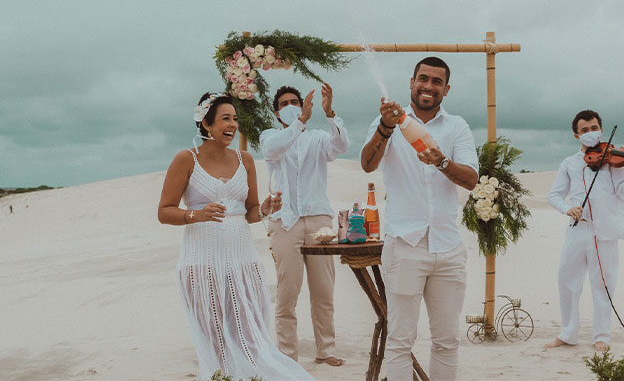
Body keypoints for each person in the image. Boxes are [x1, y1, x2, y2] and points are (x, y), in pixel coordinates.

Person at [158, 92, 313, 381]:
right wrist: (197, 214)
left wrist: (265, 209)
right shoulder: (186, 159)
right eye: (225, 119)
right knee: (215, 344)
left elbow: (251, 211)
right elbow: (164, 211)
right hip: (202, 264)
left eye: (235, 119)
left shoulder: (245, 159)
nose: (232, 125)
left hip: (242, 263)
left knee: (251, 339)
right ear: (206, 124)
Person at [360, 57, 479, 381]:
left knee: (447, 340)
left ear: (446, 89)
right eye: (423, 79)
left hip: (448, 247)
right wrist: (385, 127)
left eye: (436, 81)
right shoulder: (387, 121)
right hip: (405, 245)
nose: (428, 86)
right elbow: (368, 164)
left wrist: (442, 162)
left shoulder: (457, 127)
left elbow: (471, 179)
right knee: (400, 340)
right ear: (411, 82)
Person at [260, 82, 349, 367]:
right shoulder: (271, 136)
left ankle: (326, 349)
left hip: (318, 218)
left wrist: (330, 113)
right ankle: (287, 355)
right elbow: (273, 150)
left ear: (303, 104)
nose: (289, 107)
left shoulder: (318, 138)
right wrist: (299, 123)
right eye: (283, 104)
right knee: (288, 291)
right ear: (276, 112)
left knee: (323, 289)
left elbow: (341, 146)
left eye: (294, 102)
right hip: (284, 221)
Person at [545, 109, 624, 352]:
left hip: (605, 230)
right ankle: (568, 333)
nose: (591, 133)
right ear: (576, 135)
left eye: (594, 128)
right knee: (566, 280)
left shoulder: (614, 162)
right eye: (585, 130)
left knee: (603, 284)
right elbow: (554, 195)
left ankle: (602, 336)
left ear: (601, 128)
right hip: (578, 228)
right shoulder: (569, 163)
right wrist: (568, 209)